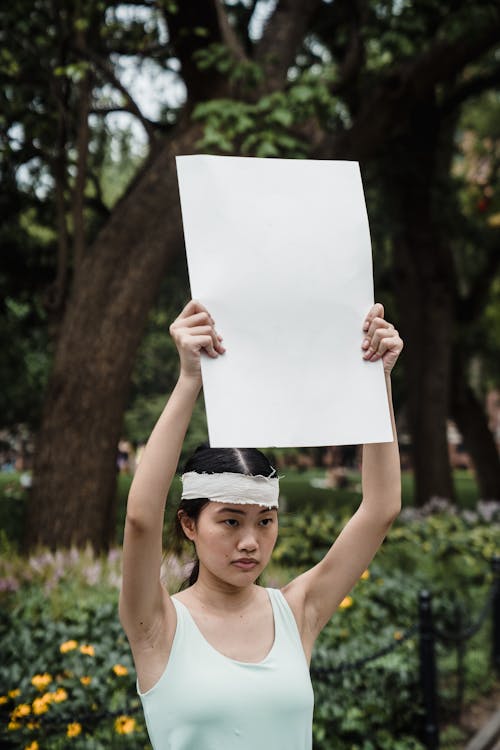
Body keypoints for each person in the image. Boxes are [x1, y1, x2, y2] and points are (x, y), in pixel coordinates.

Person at [119, 298, 404, 750]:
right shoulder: (157, 624)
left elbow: (381, 507)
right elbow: (139, 517)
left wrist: (378, 379)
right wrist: (190, 379)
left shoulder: (296, 613)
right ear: (188, 524)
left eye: (265, 521)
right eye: (230, 521)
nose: (250, 541)